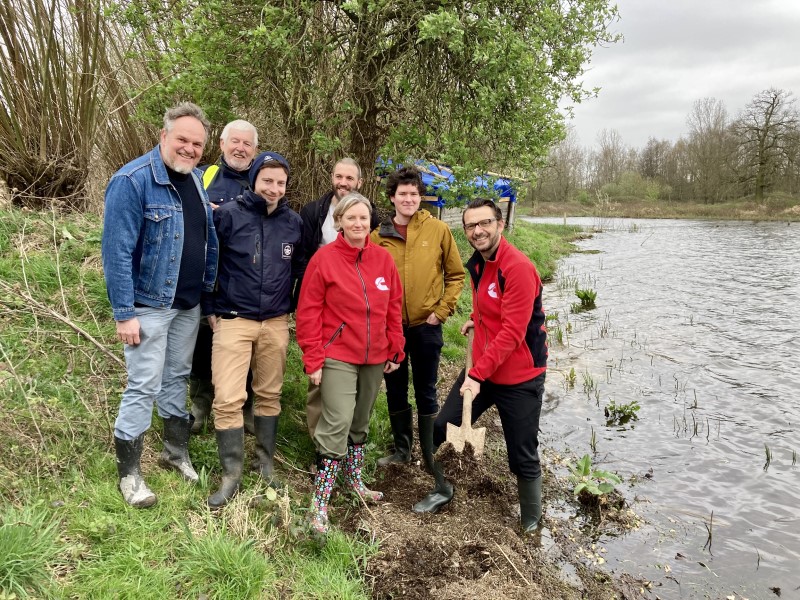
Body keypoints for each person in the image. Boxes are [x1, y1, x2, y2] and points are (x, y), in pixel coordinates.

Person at [101, 102, 218, 508]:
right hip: (149, 304)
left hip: (187, 304)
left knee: (176, 377)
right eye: (182, 139)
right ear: (164, 136)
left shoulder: (197, 180)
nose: (189, 148)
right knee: (143, 384)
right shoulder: (132, 181)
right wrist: (125, 313)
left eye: (197, 143)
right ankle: (130, 476)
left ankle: (175, 453)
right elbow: (116, 253)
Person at [433, 198, 548, 533]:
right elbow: (492, 306)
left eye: (484, 223)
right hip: (484, 366)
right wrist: (475, 319)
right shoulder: (480, 263)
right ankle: (444, 489)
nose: (477, 230)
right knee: (443, 425)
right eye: (471, 225)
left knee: (522, 453)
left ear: (500, 224)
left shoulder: (519, 267)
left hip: (519, 375)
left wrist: (476, 375)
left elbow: (513, 331)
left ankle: (530, 520)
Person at [296, 193, 405, 534]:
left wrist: (395, 346)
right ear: (339, 221)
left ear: (371, 222)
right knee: (337, 421)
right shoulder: (323, 260)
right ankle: (320, 503)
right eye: (351, 218)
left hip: (375, 356)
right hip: (337, 354)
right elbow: (309, 312)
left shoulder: (383, 260)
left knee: (360, 420)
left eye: (364, 218)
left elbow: (394, 306)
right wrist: (313, 358)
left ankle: (354, 481)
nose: (358, 224)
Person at [204, 151, 304, 508]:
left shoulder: (293, 222)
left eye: (280, 182)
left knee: (269, 394)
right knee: (228, 397)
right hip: (234, 318)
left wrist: (291, 306)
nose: (273, 189)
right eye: (267, 181)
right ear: (255, 180)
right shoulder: (228, 215)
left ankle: (266, 465)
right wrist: (210, 307)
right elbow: (209, 262)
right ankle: (231, 473)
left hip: (275, 321)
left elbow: (300, 270)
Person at [370, 166, 464, 514]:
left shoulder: (438, 229)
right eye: (401, 194)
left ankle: (429, 453)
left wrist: (441, 311)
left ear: (420, 196)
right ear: (392, 197)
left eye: (414, 193)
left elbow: (455, 275)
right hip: (389, 327)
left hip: (426, 325)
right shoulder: (379, 235)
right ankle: (401, 448)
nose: (408, 199)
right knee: (394, 386)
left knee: (425, 389)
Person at [298, 158, 379, 452]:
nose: (343, 182)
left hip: (363, 333)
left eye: (350, 178)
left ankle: (345, 463)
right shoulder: (314, 211)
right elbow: (303, 254)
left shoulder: (377, 247)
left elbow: (387, 299)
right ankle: (322, 454)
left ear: (359, 181)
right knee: (323, 396)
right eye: (338, 176)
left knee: (354, 411)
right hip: (327, 312)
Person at [189, 119, 258, 434]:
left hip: (245, 277)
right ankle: (201, 401)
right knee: (203, 337)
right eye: (235, 142)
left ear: (255, 150)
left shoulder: (260, 181)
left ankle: (245, 404)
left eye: (247, 144)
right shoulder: (203, 175)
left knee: (244, 341)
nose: (240, 149)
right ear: (222, 144)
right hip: (207, 273)